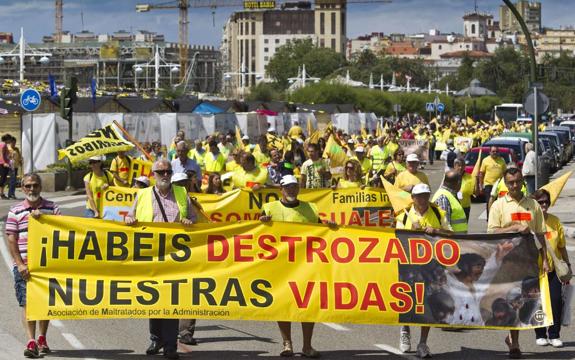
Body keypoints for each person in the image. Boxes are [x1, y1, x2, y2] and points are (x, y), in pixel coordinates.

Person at [125, 159, 196, 360]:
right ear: (153, 174)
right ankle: (156, 338)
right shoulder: (143, 195)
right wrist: (129, 220)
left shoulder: (182, 194)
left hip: (175, 257)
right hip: (151, 256)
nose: (165, 174)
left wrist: (188, 222)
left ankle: (170, 345)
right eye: (161, 171)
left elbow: (194, 221)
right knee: (154, 299)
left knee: (172, 300)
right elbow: (129, 217)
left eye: (168, 171)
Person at [260, 175, 326, 358]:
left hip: (306, 264)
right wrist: (262, 223)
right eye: (287, 187)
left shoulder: (311, 208)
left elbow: (323, 232)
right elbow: (256, 232)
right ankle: (287, 343)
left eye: (294, 187)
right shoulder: (270, 208)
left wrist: (333, 228)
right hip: (280, 265)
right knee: (283, 304)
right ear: (281, 189)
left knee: (308, 305)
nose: (291, 190)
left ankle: (307, 346)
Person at [487, 167, 549, 359]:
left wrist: (545, 259)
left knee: (522, 302)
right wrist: (514, 227)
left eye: (517, 181)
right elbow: (491, 233)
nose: (514, 185)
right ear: (505, 184)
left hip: (528, 261)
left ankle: (514, 339)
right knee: (511, 301)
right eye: (511, 182)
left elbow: (540, 234)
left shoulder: (533, 205)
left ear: (523, 181)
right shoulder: (498, 205)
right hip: (506, 263)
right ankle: (514, 343)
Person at [6, 173, 61, 358]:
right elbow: (11, 239)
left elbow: (63, 233)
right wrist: (20, 264)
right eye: (28, 186)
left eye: (35, 185)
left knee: (45, 303)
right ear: (22, 188)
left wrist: (44, 219)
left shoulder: (52, 209)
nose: (32, 189)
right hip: (25, 266)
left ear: (40, 187)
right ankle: (31, 341)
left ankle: (42, 338)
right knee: (28, 303)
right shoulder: (14, 211)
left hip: (47, 266)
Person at [395, 183, 452, 358]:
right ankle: (405, 331)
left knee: (427, 303)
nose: (422, 199)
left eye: (425, 195)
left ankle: (423, 343)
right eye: (419, 196)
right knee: (407, 301)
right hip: (408, 266)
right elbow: (396, 238)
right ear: (412, 198)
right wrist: (410, 231)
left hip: (431, 266)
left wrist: (437, 231)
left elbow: (451, 234)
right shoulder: (404, 216)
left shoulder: (437, 213)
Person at [531, 189, 571, 348]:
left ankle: (554, 334)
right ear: (535, 203)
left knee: (556, 302)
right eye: (540, 202)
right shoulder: (530, 221)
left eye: (547, 201)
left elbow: (561, 247)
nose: (544, 205)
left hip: (553, 269)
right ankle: (540, 334)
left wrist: (567, 265)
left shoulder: (555, 221)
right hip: (535, 270)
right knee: (537, 303)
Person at [479, 146, 507, 219]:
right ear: (490, 152)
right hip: (489, 185)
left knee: (500, 202)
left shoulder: (502, 160)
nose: (495, 153)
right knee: (490, 202)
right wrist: (481, 186)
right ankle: (490, 219)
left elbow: (505, 173)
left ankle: (499, 218)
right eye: (493, 151)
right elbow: (481, 174)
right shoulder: (485, 160)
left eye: (496, 151)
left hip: (499, 185)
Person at [7, 135, 22, 199]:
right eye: (12, 142)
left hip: (16, 166)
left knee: (14, 180)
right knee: (12, 180)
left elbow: (19, 157)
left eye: (15, 142)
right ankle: (11, 194)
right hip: (10, 166)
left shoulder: (16, 149)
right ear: (10, 142)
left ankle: (12, 193)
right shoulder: (8, 149)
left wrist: (20, 162)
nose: (14, 144)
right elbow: (6, 157)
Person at [0, 133, 11, 199]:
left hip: (3, 163)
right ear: (7, 139)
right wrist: (4, 163)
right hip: (3, 164)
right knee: (3, 179)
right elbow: (1, 154)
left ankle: (2, 193)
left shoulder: (2, 144)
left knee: (3, 178)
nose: (10, 141)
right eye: (9, 139)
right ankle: (1, 194)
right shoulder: (3, 144)